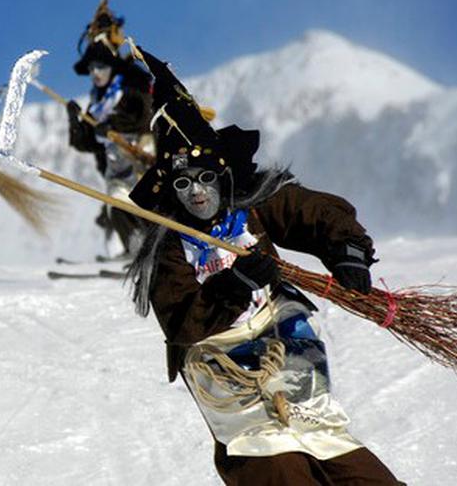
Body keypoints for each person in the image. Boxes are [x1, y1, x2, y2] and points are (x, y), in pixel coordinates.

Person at [127, 49, 401, 485]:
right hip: (219, 361)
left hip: (283, 336)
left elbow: (313, 213)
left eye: (204, 178)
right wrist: (232, 286)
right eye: (183, 183)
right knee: (272, 462)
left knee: (329, 445)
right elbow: (181, 322)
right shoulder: (167, 243)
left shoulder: (251, 203)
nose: (197, 193)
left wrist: (347, 250)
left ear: (222, 175)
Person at [65, 0, 153, 258]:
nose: (95, 73)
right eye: (92, 67)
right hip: (116, 170)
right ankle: (136, 252)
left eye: (101, 66)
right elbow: (87, 143)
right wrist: (76, 122)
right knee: (117, 205)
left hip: (144, 160)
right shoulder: (97, 102)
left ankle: (158, 252)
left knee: (147, 207)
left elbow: (146, 115)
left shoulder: (132, 85)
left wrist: (113, 125)